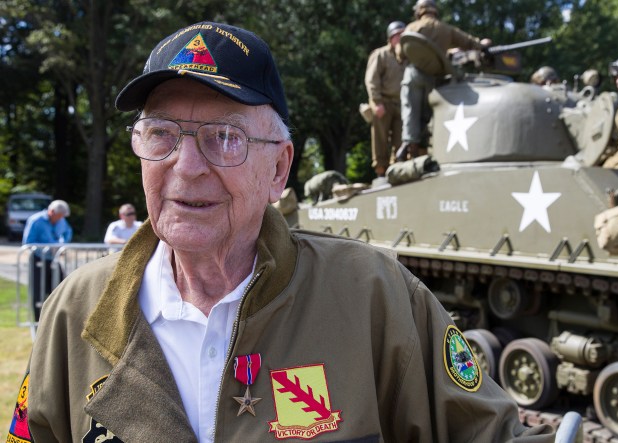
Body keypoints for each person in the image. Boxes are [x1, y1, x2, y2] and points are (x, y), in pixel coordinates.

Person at [8, 22, 556, 443]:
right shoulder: (74, 311)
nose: (186, 165)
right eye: (162, 134)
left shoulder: (372, 296)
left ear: (279, 169)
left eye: (224, 137)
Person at [397, 0, 491, 161]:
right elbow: (470, 42)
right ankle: (423, 152)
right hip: (434, 80)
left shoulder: (412, 28)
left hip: (414, 76)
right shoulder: (446, 29)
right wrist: (482, 44)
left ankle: (407, 145)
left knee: (410, 111)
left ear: (419, 11)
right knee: (428, 117)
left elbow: (400, 54)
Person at [365, 21, 406, 178]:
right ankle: (381, 173)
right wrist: (376, 102)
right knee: (380, 139)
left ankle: (398, 171)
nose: (401, 39)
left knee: (401, 139)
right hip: (383, 102)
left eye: (403, 35)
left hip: (402, 104)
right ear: (391, 37)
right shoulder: (381, 54)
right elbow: (372, 80)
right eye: (398, 35)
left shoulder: (407, 56)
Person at [20, 199, 72, 321]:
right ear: (51, 212)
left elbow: (68, 231)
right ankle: (38, 322)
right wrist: (47, 248)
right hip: (38, 260)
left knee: (60, 289)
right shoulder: (35, 220)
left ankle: (56, 320)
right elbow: (28, 242)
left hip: (53, 260)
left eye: (62, 217)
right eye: (59, 216)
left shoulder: (62, 220)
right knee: (38, 292)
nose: (60, 219)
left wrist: (63, 243)